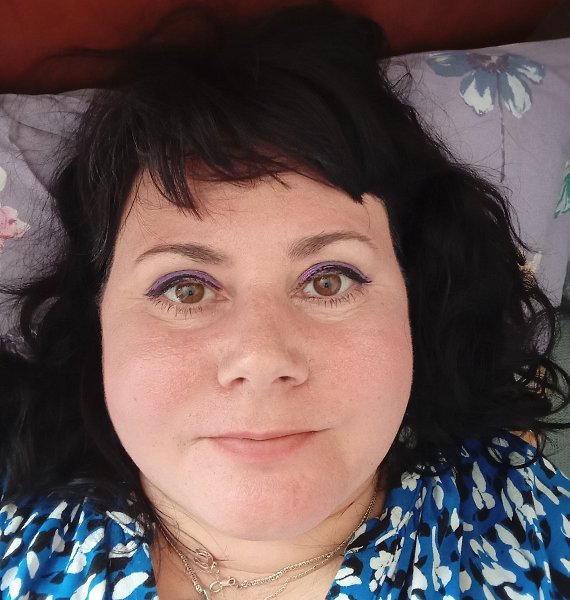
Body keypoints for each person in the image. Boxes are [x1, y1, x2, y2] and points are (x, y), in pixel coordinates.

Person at [0, 2, 569, 599]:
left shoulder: (520, 523)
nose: (261, 357)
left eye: (329, 281)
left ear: (412, 305)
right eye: (186, 287)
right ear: (99, 323)